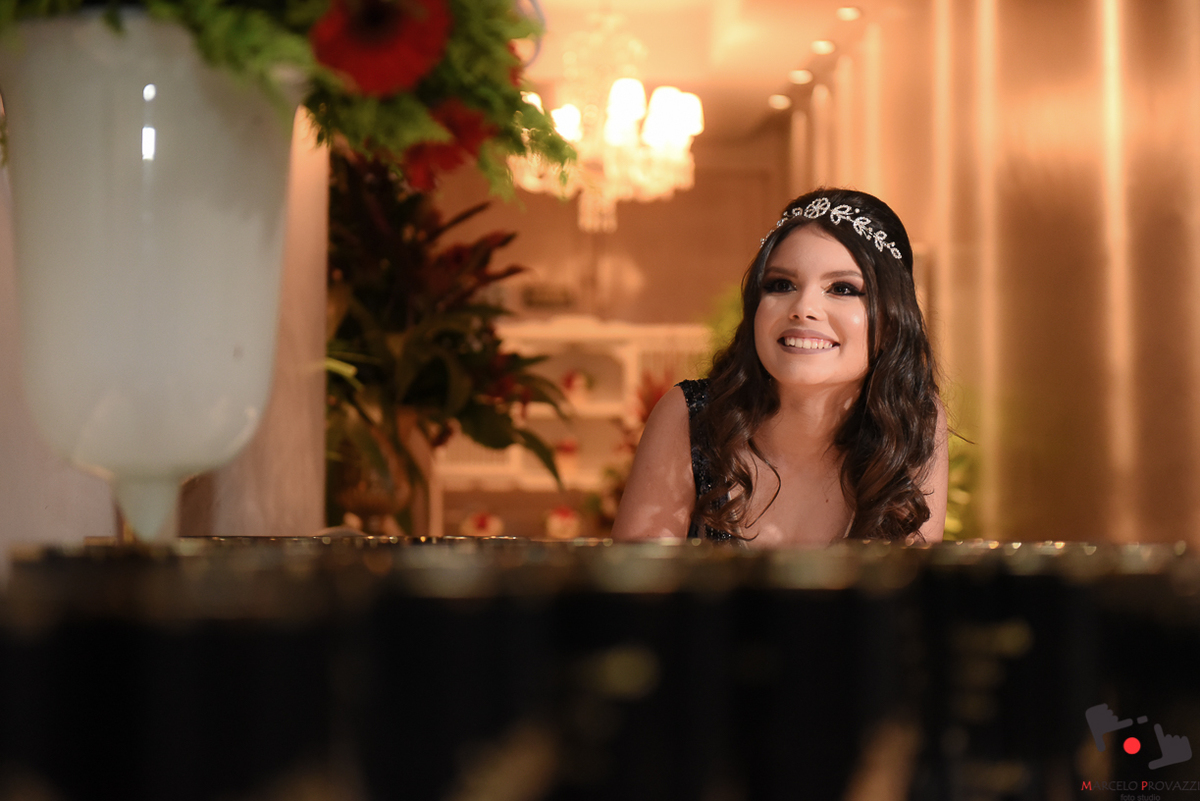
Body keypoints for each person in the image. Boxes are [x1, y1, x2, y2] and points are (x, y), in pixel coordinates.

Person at [611, 188, 948, 546]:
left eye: (843, 289)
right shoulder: (690, 418)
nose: (803, 308)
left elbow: (913, 579)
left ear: (891, 322)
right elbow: (633, 580)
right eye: (782, 285)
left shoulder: (914, 422)